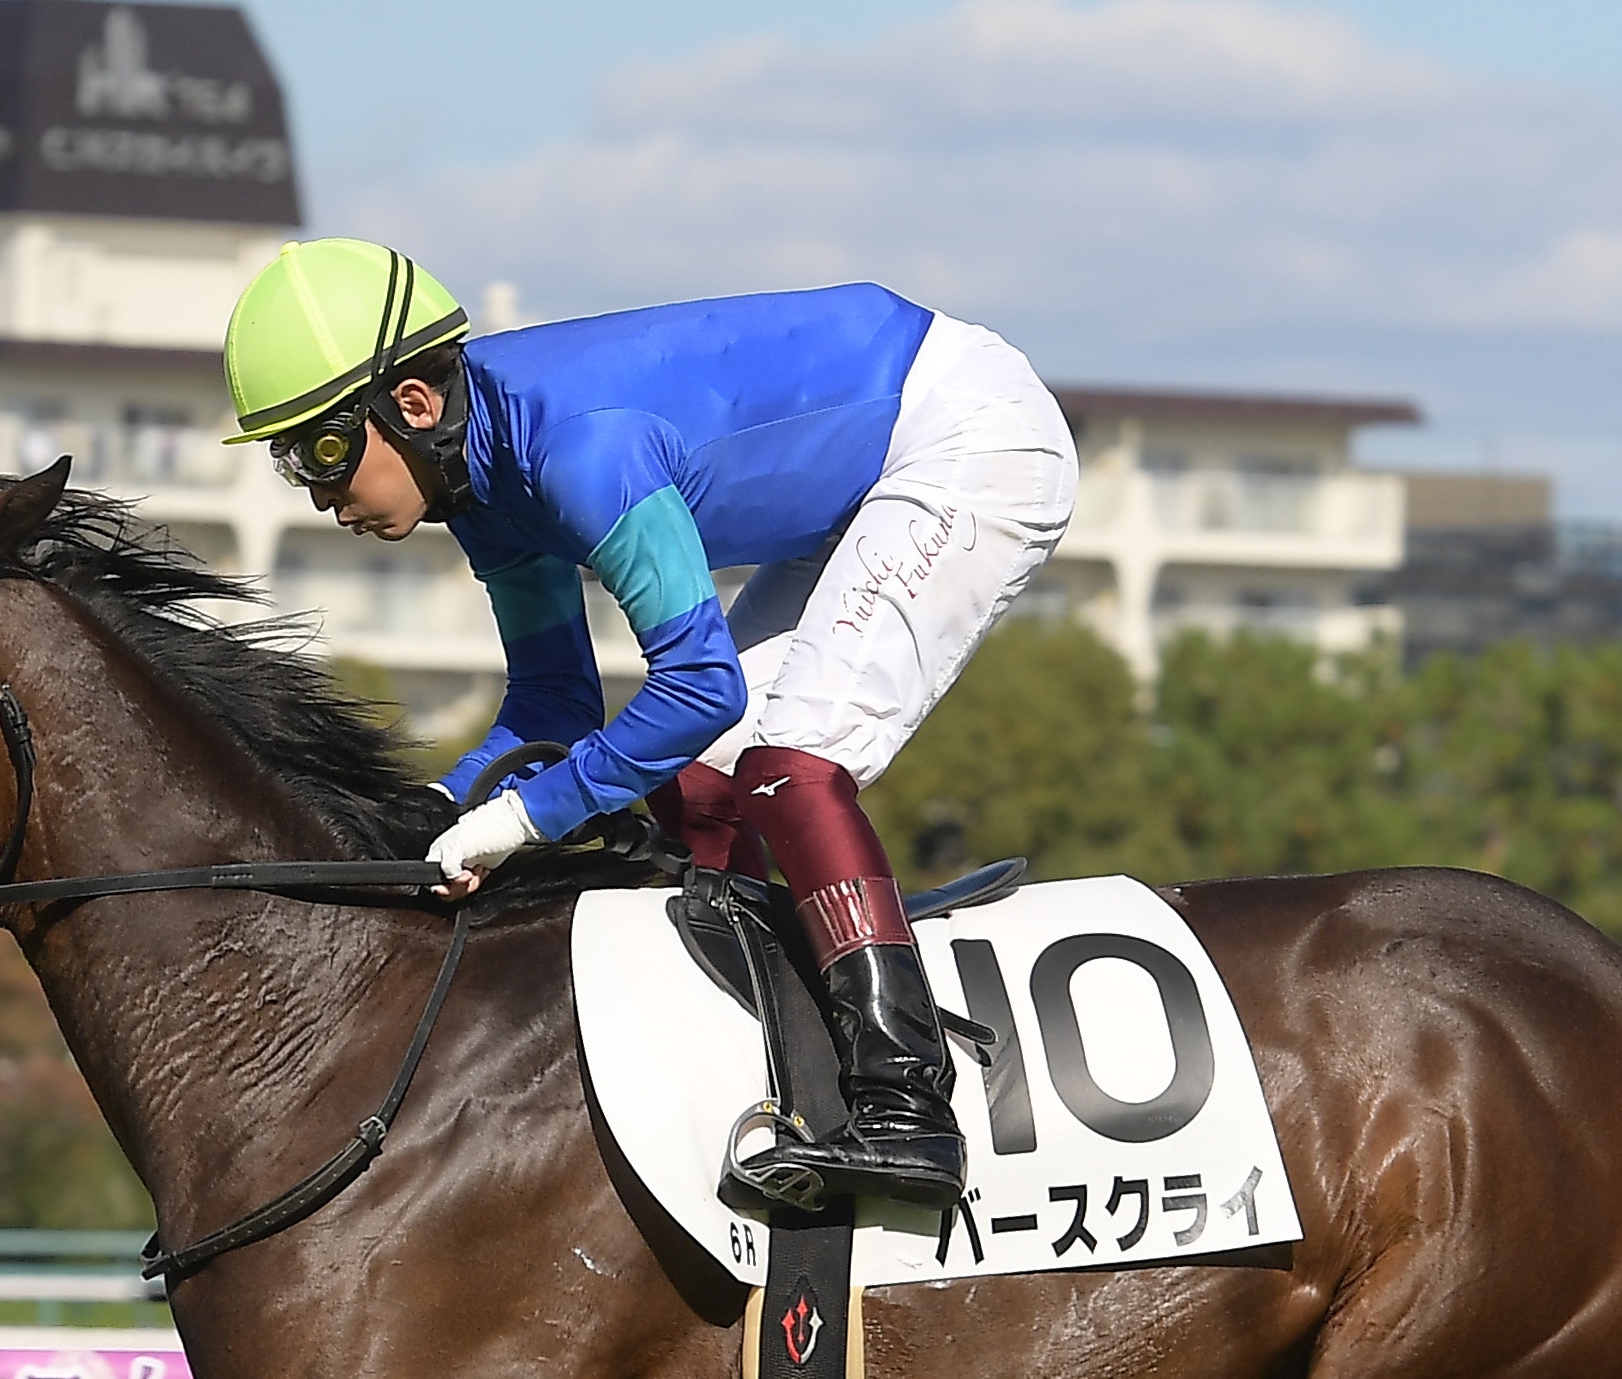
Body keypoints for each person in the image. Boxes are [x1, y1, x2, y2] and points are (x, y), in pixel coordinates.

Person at [219, 240, 1080, 1210]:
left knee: (786, 767)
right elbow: (554, 703)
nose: (320, 495)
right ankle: (763, 1078)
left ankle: (908, 1110)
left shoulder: (576, 450)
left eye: (323, 450)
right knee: (700, 790)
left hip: (967, 432)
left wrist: (516, 821)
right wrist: (433, 807)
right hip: (859, 478)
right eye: (294, 463)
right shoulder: (477, 486)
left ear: (412, 404)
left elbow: (700, 687)